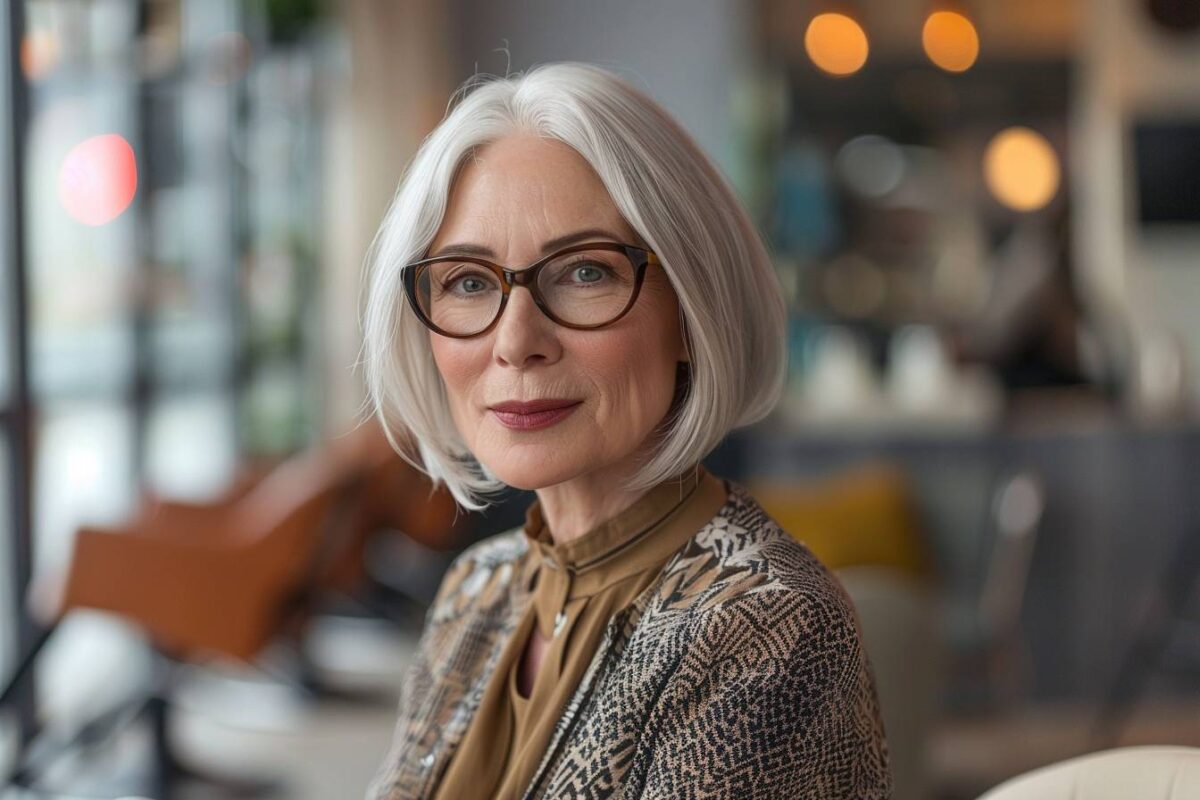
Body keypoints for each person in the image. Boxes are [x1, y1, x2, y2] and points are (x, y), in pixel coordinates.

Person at [361, 62, 892, 799]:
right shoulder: (476, 590)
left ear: (690, 309)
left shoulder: (766, 628)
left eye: (584, 273)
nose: (516, 341)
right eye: (469, 281)